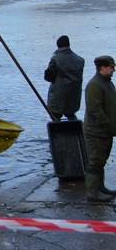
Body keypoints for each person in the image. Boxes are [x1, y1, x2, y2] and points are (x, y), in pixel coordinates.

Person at [83, 56, 116, 202]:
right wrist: (108, 125)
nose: (113, 69)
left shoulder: (107, 83)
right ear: (102, 67)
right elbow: (95, 110)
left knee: (101, 160)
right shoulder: (95, 85)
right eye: (111, 67)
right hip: (96, 131)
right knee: (95, 161)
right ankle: (92, 194)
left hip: (105, 131)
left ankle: (100, 188)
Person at [44, 35, 85, 121]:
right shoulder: (80, 60)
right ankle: (75, 131)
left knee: (55, 117)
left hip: (58, 97)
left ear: (58, 46)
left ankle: (57, 132)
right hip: (74, 96)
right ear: (69, 45)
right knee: (71, 115)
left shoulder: (55, 59)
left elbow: (48, 77)